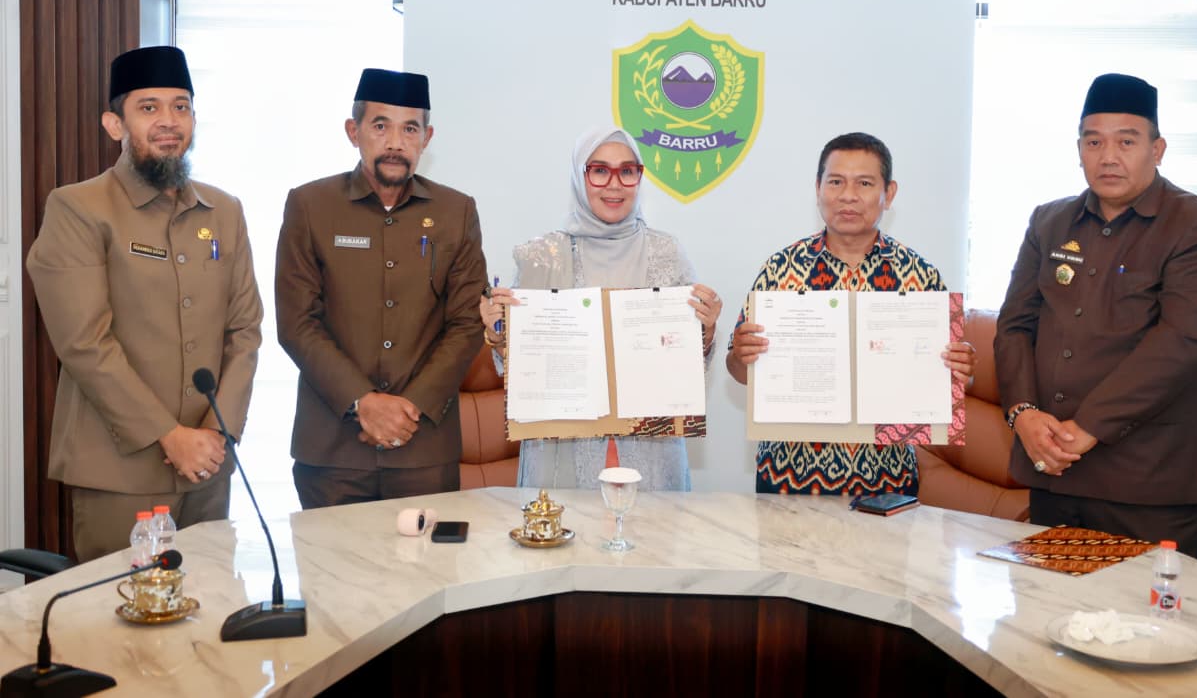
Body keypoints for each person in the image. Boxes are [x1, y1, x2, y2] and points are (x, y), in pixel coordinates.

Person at [26, 45, 263, 560]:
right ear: (115, 124)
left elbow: (245, 331)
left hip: (208, 466)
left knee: (208, 602)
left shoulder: (224, 211)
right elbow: (85, 343)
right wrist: (169, 436)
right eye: (149, 107)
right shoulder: (78, 208)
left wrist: (216, 435)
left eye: (181, 106)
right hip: (120, 472)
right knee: (124, 608)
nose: (169, 121)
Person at [994, 73, 1197, 558]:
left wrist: (1086, 429)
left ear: (1157, 149)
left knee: (1142, 610)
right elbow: (1015, 325)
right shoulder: (1049, 221)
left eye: (1126, 141)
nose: (1108, 156)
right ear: (1079, 150)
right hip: (1055, 472)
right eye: (1094, 141)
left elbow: (1182, 342)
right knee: (1047, 605)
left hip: (1149, 482)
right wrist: (1023, 414)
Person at [276, 68, 487, 508]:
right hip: (332, 451)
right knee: (331, 557)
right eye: (380, 126)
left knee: (428, 556)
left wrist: (409, 407)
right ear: (353, 131)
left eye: (410, 128)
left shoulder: (456, 212)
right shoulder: (310, 206)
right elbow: (297, 324)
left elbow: (467, 324)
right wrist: (363, 402)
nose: (395, 142)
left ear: (427, 138)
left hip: (423, 446)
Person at [726, 132, 974, 496]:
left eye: (864, 183)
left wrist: (960, 369)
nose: (848, 195)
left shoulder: (920, 276)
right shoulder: (780, 270)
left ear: (889, 193)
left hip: (887, 480)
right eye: (836, 182)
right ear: (818, 188)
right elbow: (739, 372)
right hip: (789, 476)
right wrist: (740, 355)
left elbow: (948, 383)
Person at [479, 127, 722, 490]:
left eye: (627, 171)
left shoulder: (667, 254)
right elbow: (520, 369)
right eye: (600, 170)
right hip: (561, 448)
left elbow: (686, 367)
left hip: (652, 449)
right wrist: (499, 333)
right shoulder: (541, 257)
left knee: (652, 527)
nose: (614, 184)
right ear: (580, 176)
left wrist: (706, 329)